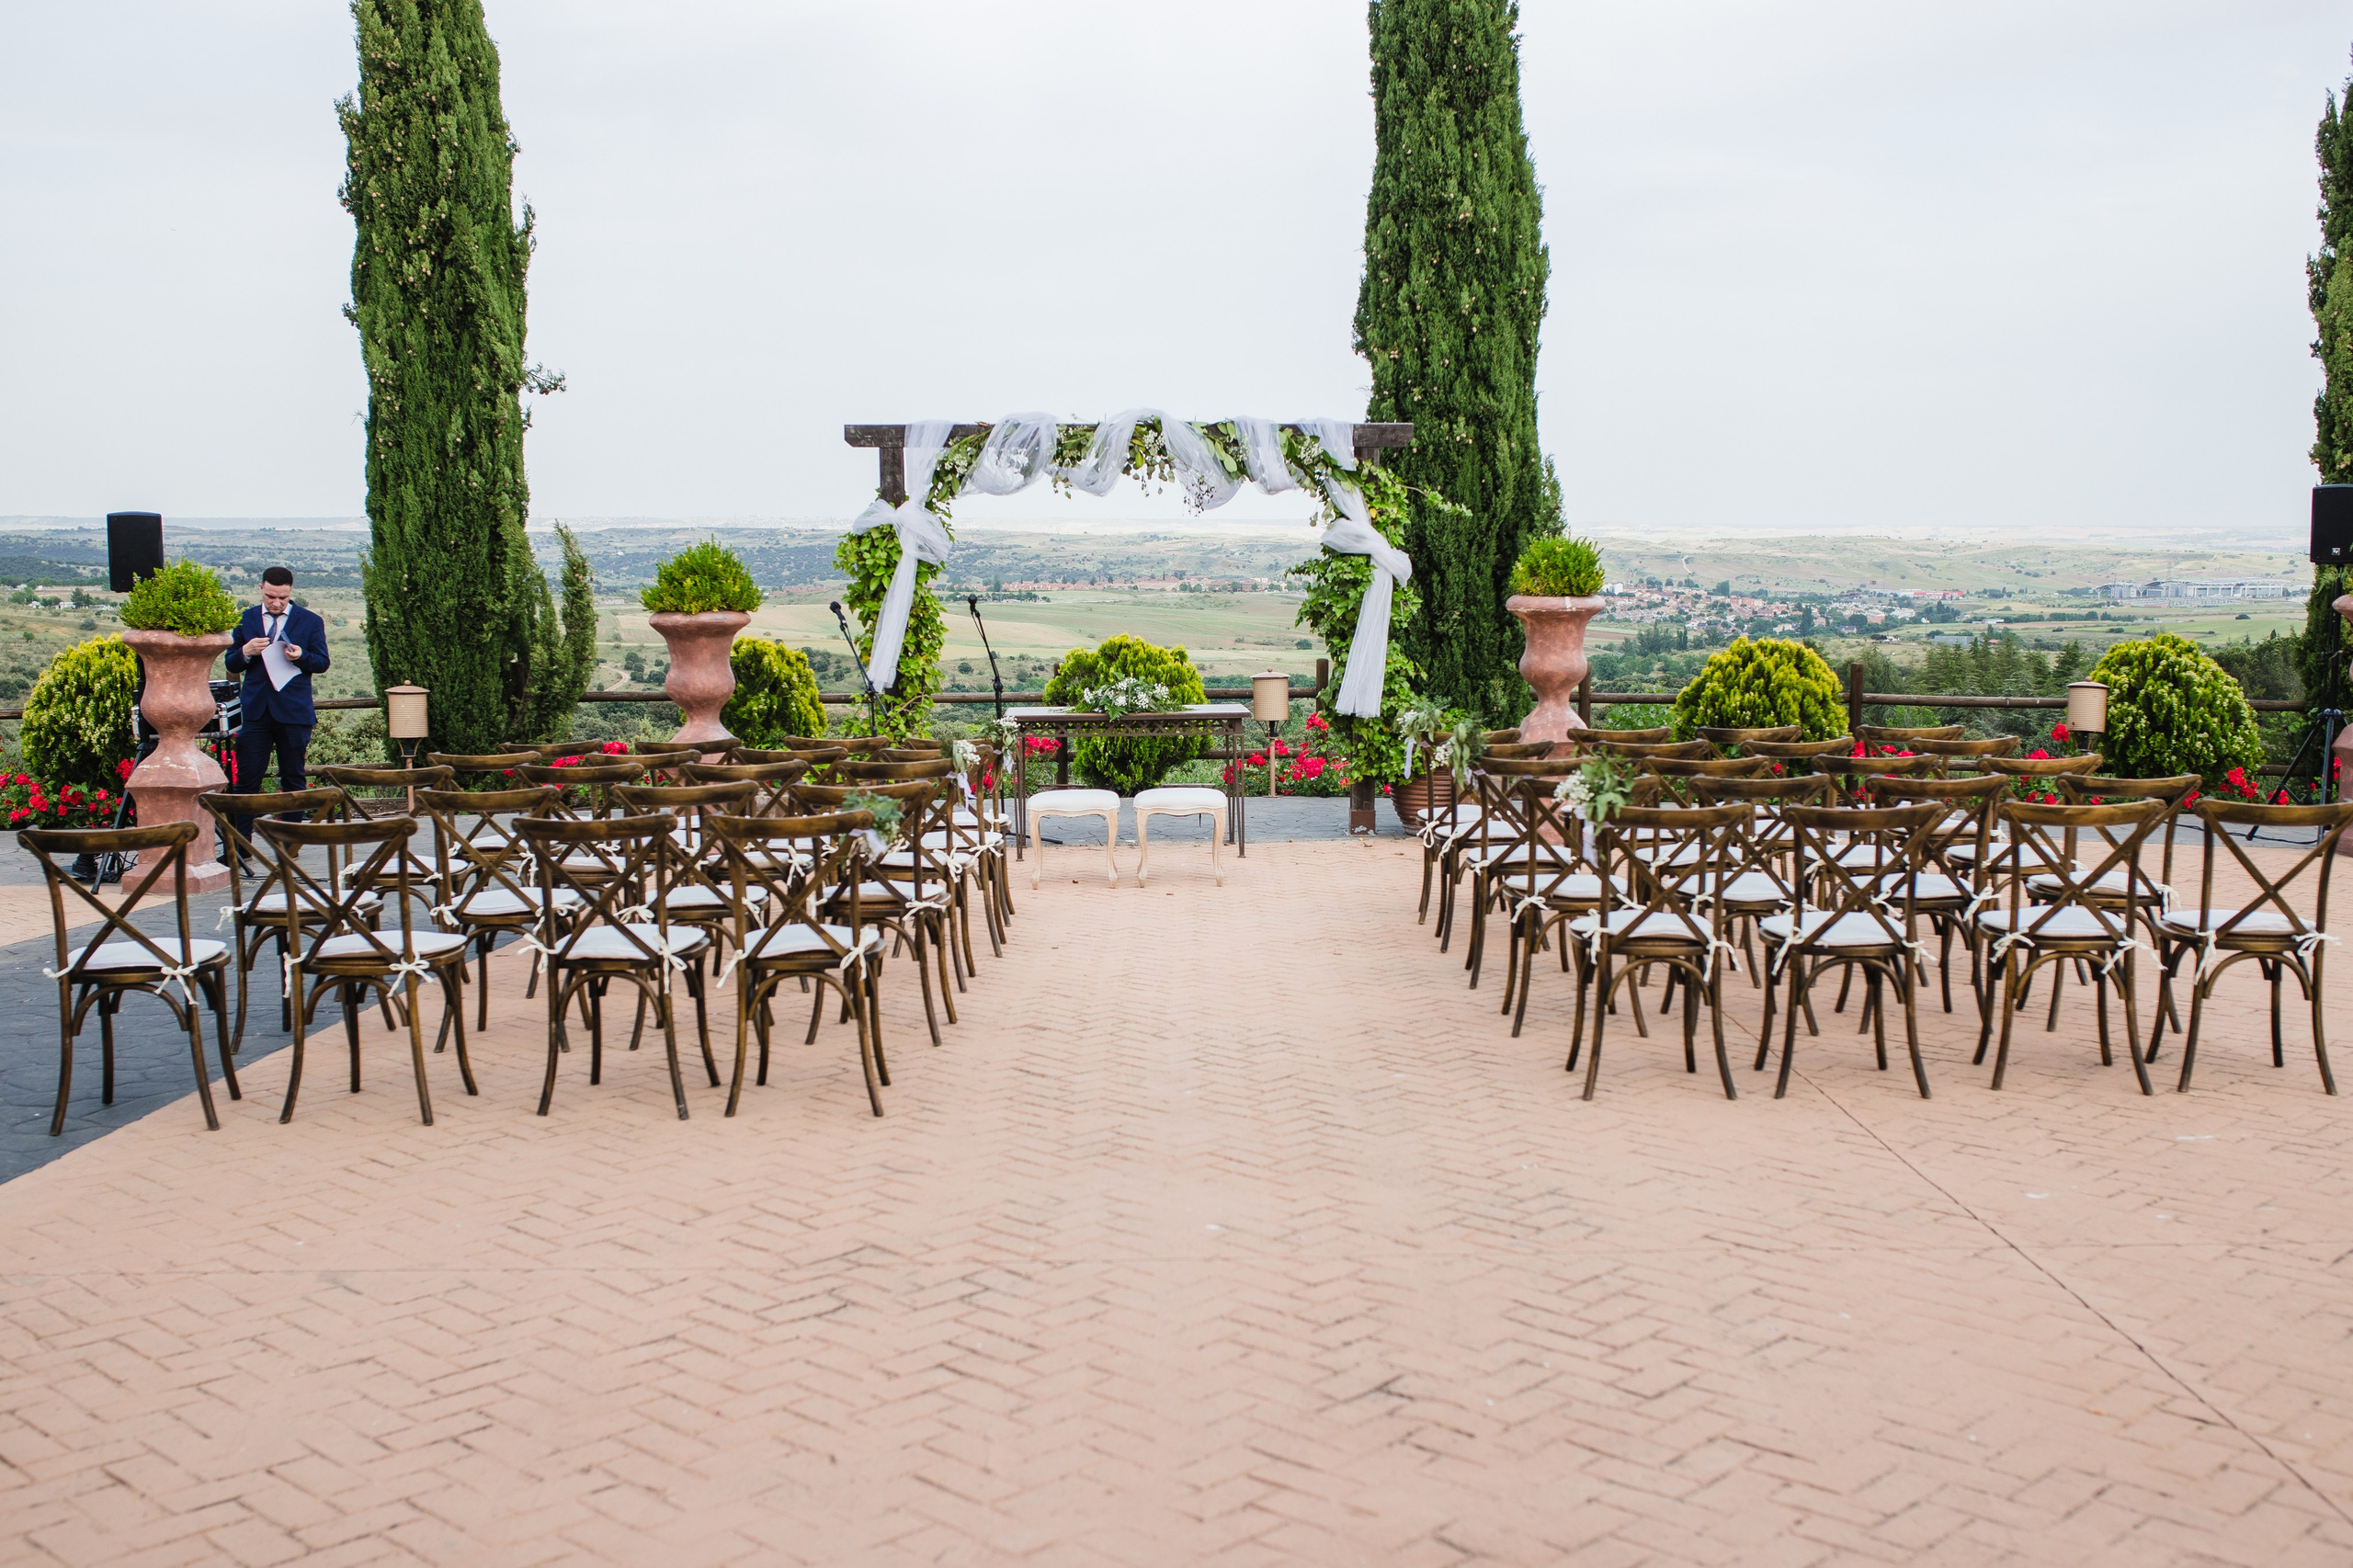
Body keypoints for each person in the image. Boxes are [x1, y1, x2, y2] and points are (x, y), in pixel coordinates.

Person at [224, 566, 331, 858]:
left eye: (283, 597)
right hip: (257, 712)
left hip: (294, 713)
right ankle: (240, 848)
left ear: (290, 592)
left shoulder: (310, 621)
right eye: (271, 596)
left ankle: (290, 845)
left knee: (293, 778)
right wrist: (246, 651)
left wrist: (302, 657)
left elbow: (322, 662)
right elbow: (232, 663)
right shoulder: (246, 619)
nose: (276, 603)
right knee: (247, 779)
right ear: (261, 588)